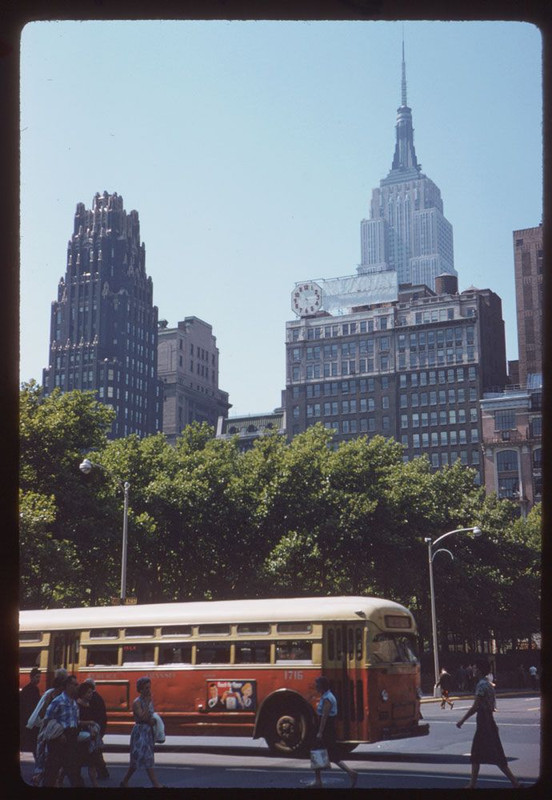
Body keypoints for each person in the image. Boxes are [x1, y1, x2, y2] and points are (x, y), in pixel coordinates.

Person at [456, 658, 521, 789]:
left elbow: (475, 706)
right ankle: (514, 782)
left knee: (479, 753)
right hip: (489, 720)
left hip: (483, 721)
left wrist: (462, 720)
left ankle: (473, 784)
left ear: (479, 670)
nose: (472, 670)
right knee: (489, 753)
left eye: (474, 667)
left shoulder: (480, 685)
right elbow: (492, 705)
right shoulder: (488, 684)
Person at [309, 676, 358, 789]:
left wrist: (320, 732)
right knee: (319, 753)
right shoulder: (326, 696)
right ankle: (318, 780)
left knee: (324, 754)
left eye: (317, 684)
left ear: (322, 686)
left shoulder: (327, 698)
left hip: (326, 729)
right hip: (326, 728)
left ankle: (350, 773)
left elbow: (324, 717)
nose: (315, 686)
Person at [119, 677, 164, 788]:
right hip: (140, 732)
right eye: (146, 688)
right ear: (140, 689)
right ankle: (155, 784)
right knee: (140, 758)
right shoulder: (137, 702)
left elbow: (150, 716)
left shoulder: (148, 701)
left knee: (145, 758)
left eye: (149, 687)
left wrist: (153, 721)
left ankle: (125, 781)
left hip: (148, 732)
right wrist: (148, 705)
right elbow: (142, 716)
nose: (149, 690)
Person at [42, 674, 83, 788]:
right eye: (75, 684)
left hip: (71, 737)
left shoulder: (74, 703)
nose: (77, 687)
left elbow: (75, 721)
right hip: (59, 739)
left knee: (73, 770)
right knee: (52, 770)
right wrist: (59, 735)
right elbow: (47, 719)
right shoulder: (58, 701)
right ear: (68, 686)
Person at [76, 683, 103, 788]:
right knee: (76, 762)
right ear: (82, 693)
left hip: (90, 738)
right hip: (81, 737)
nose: (90, 694)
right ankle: (60, 780)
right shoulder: (77, 705)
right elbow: (76, 722)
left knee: (92, 763)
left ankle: (95, 784)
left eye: (91, 692)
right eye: (88, 692)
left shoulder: (90, 704)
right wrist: (89, 723)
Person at [83, 678, 109, 779]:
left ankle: (102, 771)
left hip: (95, 728)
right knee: (96, 751)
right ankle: (102, 771)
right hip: (99, 727)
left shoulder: (92, 699)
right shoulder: (98, 697)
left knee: (95, 751)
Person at [20, 668, 41, 756]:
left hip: (28, 719)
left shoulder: (29, 689)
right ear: (31, 677)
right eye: (37, 677)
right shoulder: (31, 690)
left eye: (39, 677)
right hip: (28, 719)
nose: (38, 679)